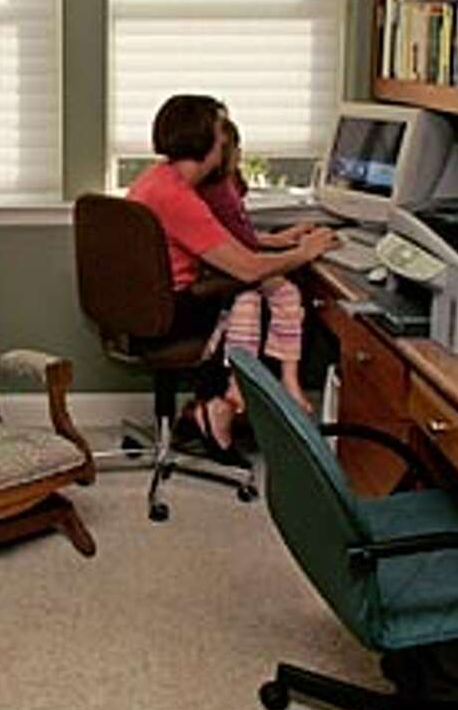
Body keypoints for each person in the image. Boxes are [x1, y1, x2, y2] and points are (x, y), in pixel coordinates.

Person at [126, 94, 335, 452]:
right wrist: (305, 252)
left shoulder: (158, 179)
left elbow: (223, 244)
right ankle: (222, 403)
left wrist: (273, 242)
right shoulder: (178, 198)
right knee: (256, 292)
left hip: (144, 305)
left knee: (252, 290)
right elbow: (246, 266)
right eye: (222, 130)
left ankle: (219, 403)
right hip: (171, 314)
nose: (226, 139)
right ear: (204, 139)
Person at [197, 117, 320, 412]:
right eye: (235, 149)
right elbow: (234, 244)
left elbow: (238, 234)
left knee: (248, 302)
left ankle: (244, 383)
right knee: (286, 294)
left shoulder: (228, 185)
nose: (241, 155)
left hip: (230, 264)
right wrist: (302, 251)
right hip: (223, 268)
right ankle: (279, 380)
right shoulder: (215, 191)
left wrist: (275, 241)